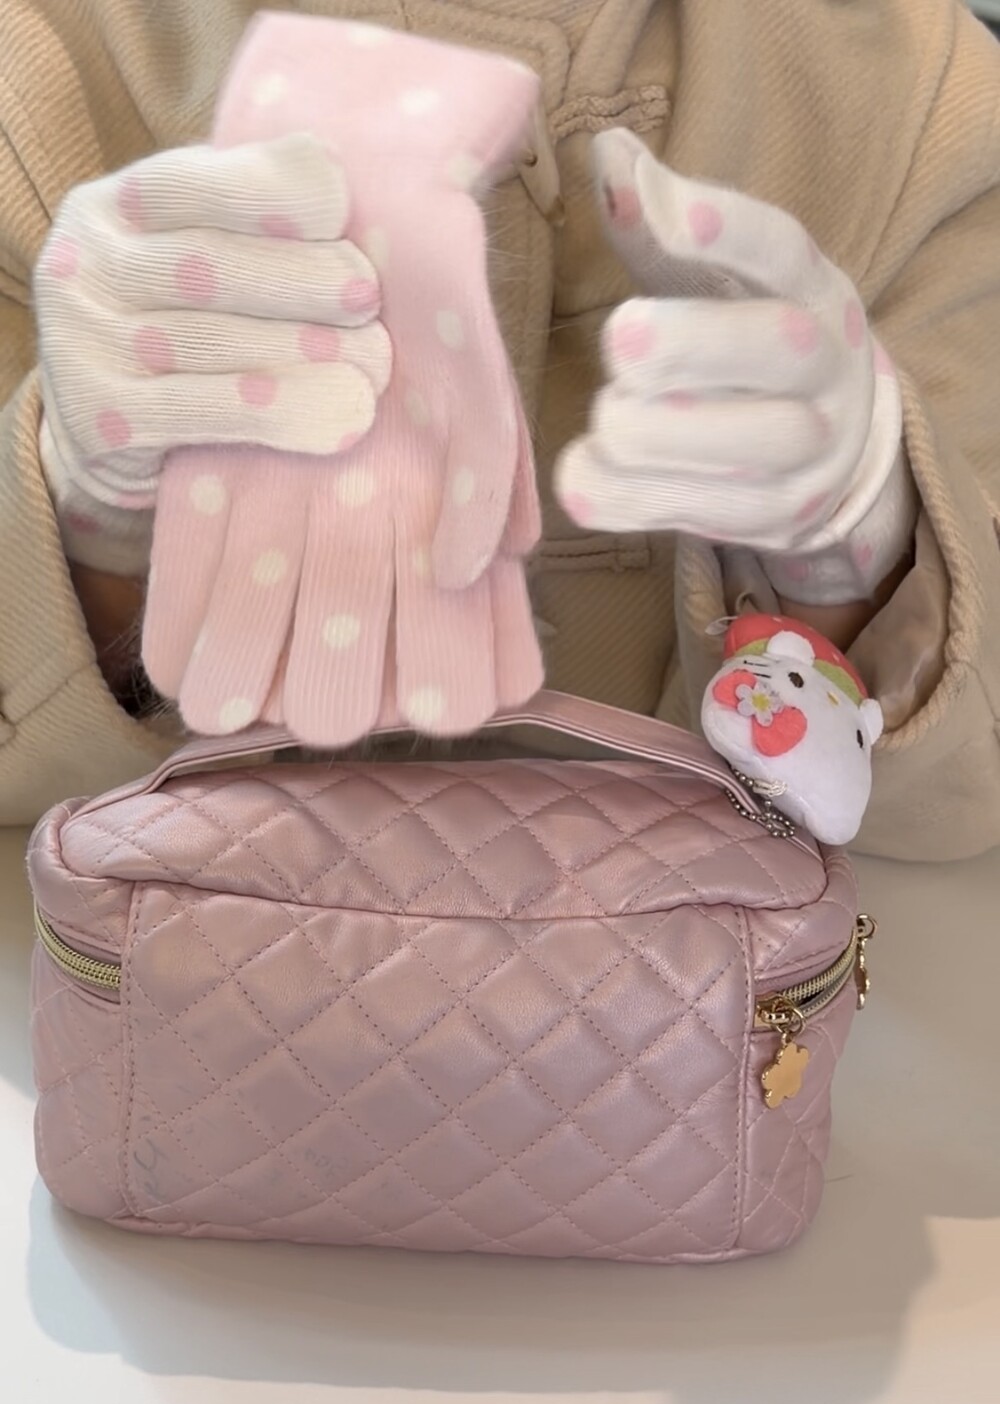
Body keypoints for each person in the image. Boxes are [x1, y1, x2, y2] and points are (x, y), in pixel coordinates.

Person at [2, 0, 998, 860]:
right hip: (154, 980)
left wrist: (865, 559)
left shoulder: (920, 101)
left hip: (745, 999)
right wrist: (87, 540)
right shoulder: (37, 69)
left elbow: (962, 806)